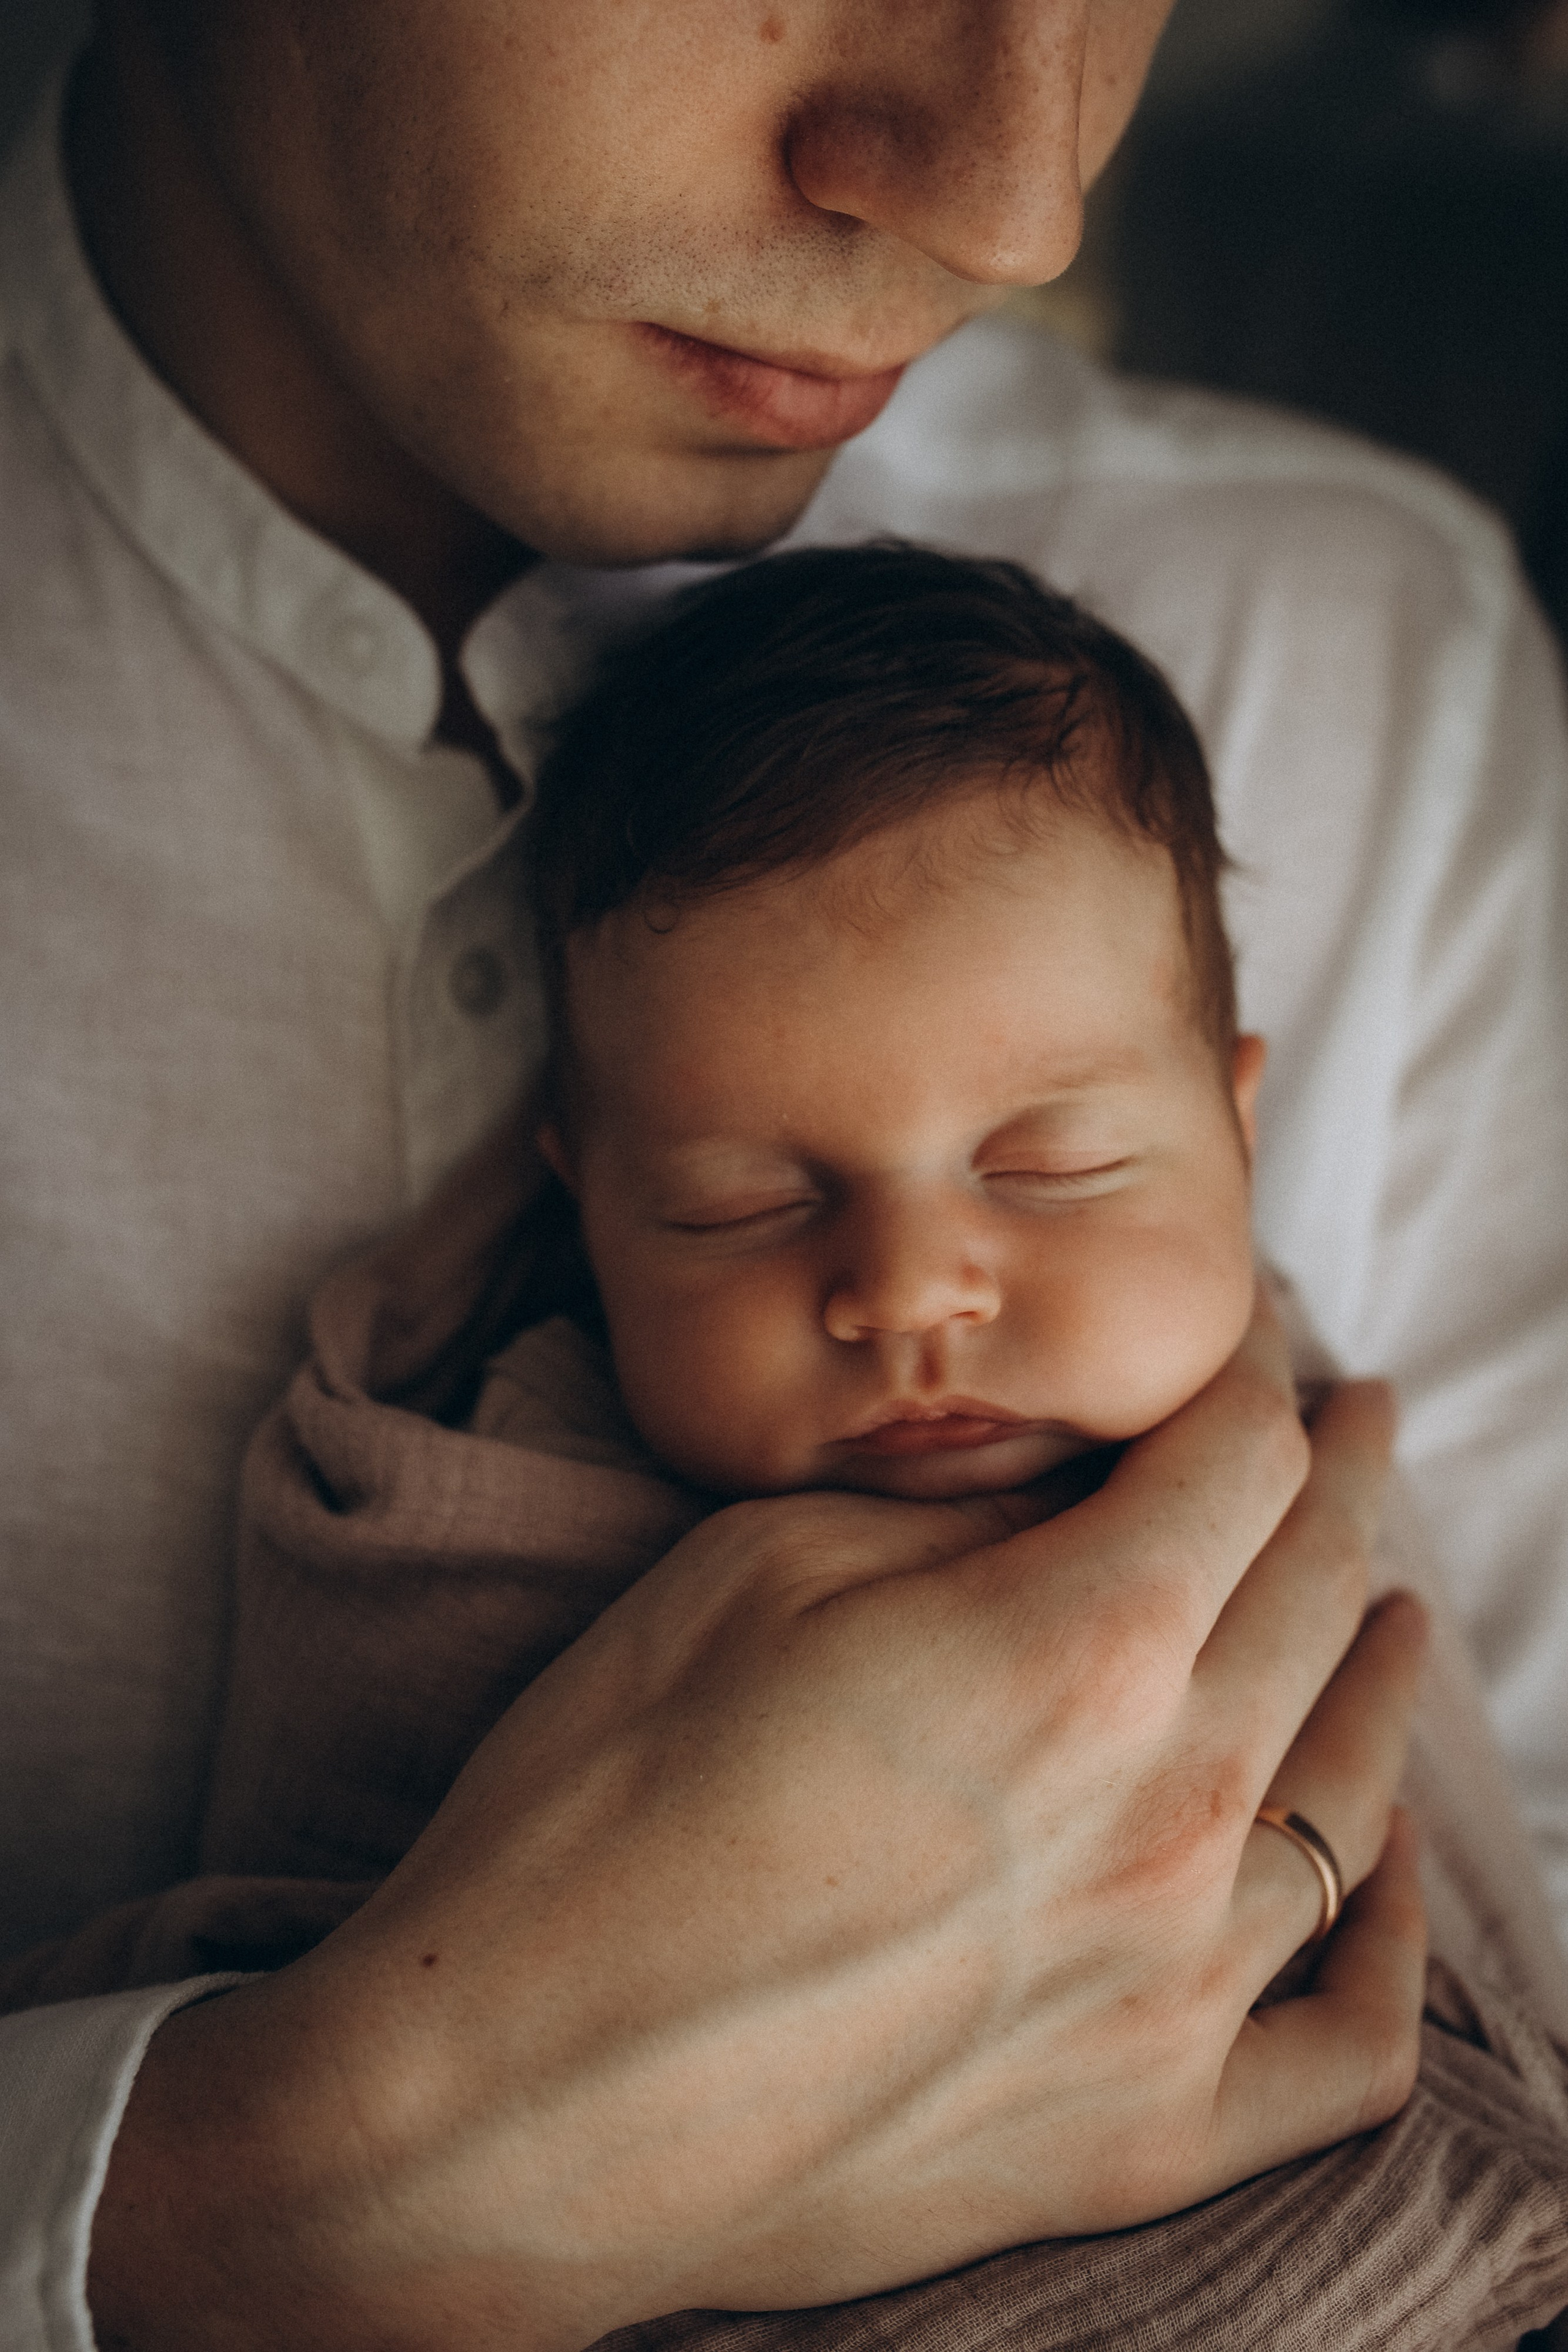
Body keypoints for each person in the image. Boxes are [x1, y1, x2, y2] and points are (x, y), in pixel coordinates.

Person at [1, 2, 1564, 2347]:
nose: (1018, 205)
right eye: (731, 1201)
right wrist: (263, 2193)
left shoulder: (1363, 640)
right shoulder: (426, 1463)